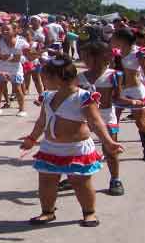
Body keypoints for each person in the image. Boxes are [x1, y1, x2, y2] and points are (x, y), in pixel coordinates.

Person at [20, 54, 123, 227]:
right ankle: (47, 212)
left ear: (58, 78)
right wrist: (31, 138)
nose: (43, 80)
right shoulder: (48, 97)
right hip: (50, 148)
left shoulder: (83, 97)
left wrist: (108, 142)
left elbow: (96, 122)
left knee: (81, 183)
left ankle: (89, 213)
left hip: (76, 149)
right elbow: (41, 122)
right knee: (46, 181)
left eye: (46, 77)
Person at [77, 41, 136, 195]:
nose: (84, 61)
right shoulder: (79, 77)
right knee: (77, 149)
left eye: (87, 57)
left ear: (101, 57)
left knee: (111, 149)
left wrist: (134, 102)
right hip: (83, 117)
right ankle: (76, 176)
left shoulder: (114, 75)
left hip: (106, 117)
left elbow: (117, 98)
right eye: (82, 57)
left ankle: (115, 179)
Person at [111, 28, 145, 162]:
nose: (112, 40)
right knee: (113, 121)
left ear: (122, 40)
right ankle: (113, 148)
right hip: (120, 90)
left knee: (141, 123)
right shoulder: (116, 52)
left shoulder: (138, 53)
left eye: (115, 38)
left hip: (135, 90)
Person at [0, 24, 30, 117]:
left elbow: (28, 55)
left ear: (14, 30)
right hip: (1, 68)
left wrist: (19, 58)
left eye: (7, 30)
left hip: (15, 68)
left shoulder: (22, 42)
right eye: (2, 30)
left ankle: (22, 109)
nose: (4, 32)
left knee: (17, 89)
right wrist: (0, 56)